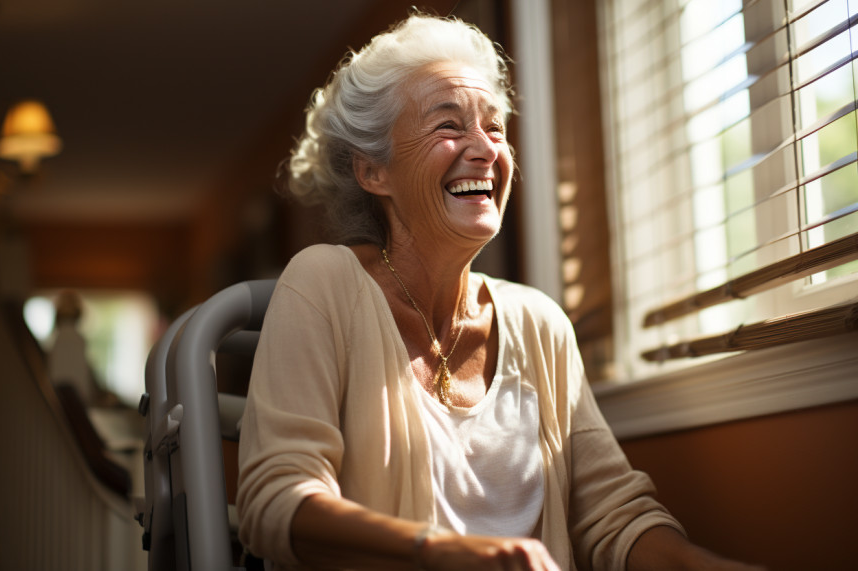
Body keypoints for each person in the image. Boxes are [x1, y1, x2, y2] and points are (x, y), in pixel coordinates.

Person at [236, 13, 762, 571]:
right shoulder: (324, 283)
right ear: (373, 171)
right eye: (449, 126)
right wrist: (447, 551)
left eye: (495, 127)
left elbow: (616, 517)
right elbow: (277, 502)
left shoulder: (540, 322)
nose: (486, 149)